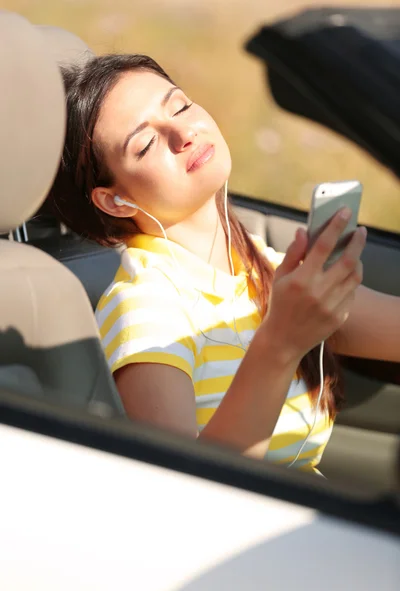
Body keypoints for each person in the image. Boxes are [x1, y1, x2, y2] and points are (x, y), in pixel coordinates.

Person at [48, 54, 399, 474]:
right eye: (145, 144)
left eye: (179, 105)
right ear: (114, 200)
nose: (183, 133)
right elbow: (185, 491)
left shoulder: (254, 264)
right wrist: (280, 344)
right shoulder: (145, 308)